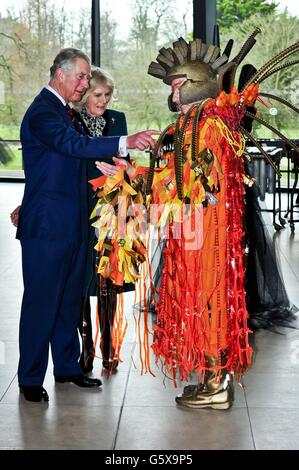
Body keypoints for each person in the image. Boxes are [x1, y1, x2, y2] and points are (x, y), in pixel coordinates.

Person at [93, 32, 298, 410]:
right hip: (202, 232)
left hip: (206, 237)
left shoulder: (204, 125)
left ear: (196, 84)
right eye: (172, 87)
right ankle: (211, 380)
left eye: (178, 86)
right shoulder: (205, 122)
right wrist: (135, 173)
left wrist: (134, 179)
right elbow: (180, 175)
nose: (173, 95)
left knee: (208, 303)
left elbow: (186, 185)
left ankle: (217, 385)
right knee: (204, 305)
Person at [15, 47, 159, 403]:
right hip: (48, 227)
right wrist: (126, 140)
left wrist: (119, 173)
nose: (84, 84)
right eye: (80, 77)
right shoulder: (43, 112)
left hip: (75, 223)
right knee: (41, 302)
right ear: (59, 75)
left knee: (68, 299)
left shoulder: (66, 113)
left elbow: (74, 162)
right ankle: (30, 377)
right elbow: (73, 145)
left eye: (86, 77)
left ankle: (66, 368)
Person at [74, 66, 133, 374]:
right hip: (81, 207)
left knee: (108, 276)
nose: (103, 100)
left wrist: (121, 169)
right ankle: (87, 349)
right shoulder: (72, 120)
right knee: (83, 277)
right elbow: (72, 160)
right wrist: (98, 167)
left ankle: (109, 344)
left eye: (108, 94)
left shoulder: (118, 119)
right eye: (97, 94)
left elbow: (127, 160)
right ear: (84, 95)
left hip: (112, 208)